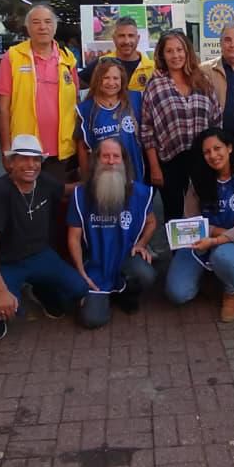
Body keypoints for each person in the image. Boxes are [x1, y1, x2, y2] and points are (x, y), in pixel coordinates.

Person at [0, 134, 90, 339]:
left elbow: (66, 190)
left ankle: (40, 291)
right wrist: (1, 290)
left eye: (36, 159)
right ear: (11, 162)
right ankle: (1, 295)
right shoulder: (0, 190)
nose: (31, 165)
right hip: (7, 261)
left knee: (78, 290)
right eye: (23, 158)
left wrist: (93, 183)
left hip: (40, 255)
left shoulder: (44, 181)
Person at [165, 128, 234, 321]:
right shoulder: (198, 177)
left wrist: (217, 239)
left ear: (229, 148)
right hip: (201, 240)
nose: (213, 155)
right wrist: (217, 233)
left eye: (217, 148)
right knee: (177, 294)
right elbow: (189, 219)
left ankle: (231, 292)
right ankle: (209, 276)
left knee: (225, 257)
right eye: (206, 152)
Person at [67, 138, 157, 328]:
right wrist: (80, 272)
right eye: (105, 156)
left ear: (124, 161)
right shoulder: (81, 195)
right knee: (92, 320)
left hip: (126, 260)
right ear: (96, 160)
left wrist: (141, 244)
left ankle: (124, 294)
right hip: (95, 266)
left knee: (146, 275)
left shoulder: (138, 192)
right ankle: (102, 297)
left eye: (116, 156)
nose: (111, 161)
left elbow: (151, 222)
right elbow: (73, 237)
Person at [140, 30, 222, 221]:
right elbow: (146, 130)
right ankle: (178, 251)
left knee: (205, 210)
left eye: (180, 50)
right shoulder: (155, 85)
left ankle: (203, 249)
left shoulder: (203, 80)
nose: (176, 55)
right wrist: (154, 167)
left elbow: (216, 120)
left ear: (187, 52)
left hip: (203, 158)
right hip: (170, 162)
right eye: (169, 51)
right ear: (161, 54)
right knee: (175, 212)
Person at [0, 4, 80, 183]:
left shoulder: (68, 60)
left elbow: (76, 103)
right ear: (28, 27)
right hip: (25, 150)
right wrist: (6, 149)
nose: (43, 27)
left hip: (62, 151)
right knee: (28, 205)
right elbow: (3, 109)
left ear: (55, 27)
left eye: (48, 22)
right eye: (36, 22)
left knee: (59, 203)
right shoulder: (13, 57)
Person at [76, 57, 145, 182]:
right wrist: (86, 179)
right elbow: (82, 147)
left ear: (122, 80)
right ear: (97, 80)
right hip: (102, 177)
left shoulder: (135, 99)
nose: (111, 83)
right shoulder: (86, 109)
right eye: (106, 78)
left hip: (134, 173)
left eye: (115, 78)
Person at [78, 16, 156, 92]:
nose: (126, 41)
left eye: (131, 36)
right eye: (121, 36)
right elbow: (77, 82)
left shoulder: (152, 67)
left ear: (138, 38)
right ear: (114, 39)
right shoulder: (102, 62)